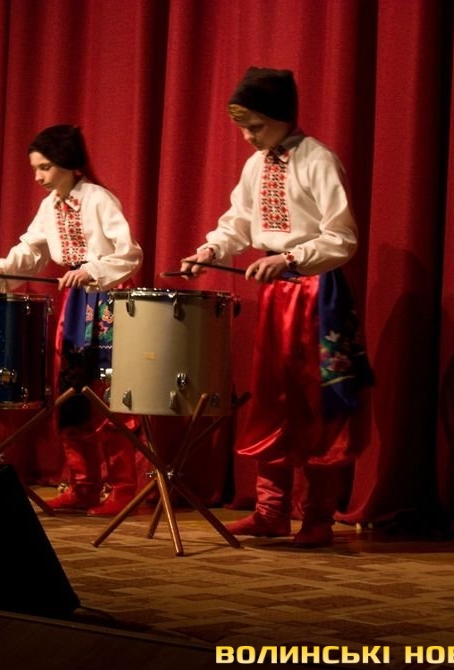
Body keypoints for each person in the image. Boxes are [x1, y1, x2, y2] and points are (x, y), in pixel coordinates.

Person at [182, 67, 372, 548]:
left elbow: (342, 238)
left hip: (315, 294)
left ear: (284, 117)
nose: (249, 137)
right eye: (244, 128)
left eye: (257, 126)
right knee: (273, 398)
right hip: (276, 296)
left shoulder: (318, 160)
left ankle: (318, 517)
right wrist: (210, 250)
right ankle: (270, 511)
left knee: (317, 402)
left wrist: (289, 258)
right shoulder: (256, 165)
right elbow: (238, 221)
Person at [0, 124, 144, 515]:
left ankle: (123, 488)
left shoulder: (98, 199)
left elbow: (129, 253)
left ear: (68, 163)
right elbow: (32, 249)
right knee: (71, 389)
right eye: (35, 168)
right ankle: (83, 484)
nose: (38, 176)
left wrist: (92, 270)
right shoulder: (50, 205)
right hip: (76, 300)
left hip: (107, 299)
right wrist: (3, 268)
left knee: (106, 389)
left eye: (45, 167)